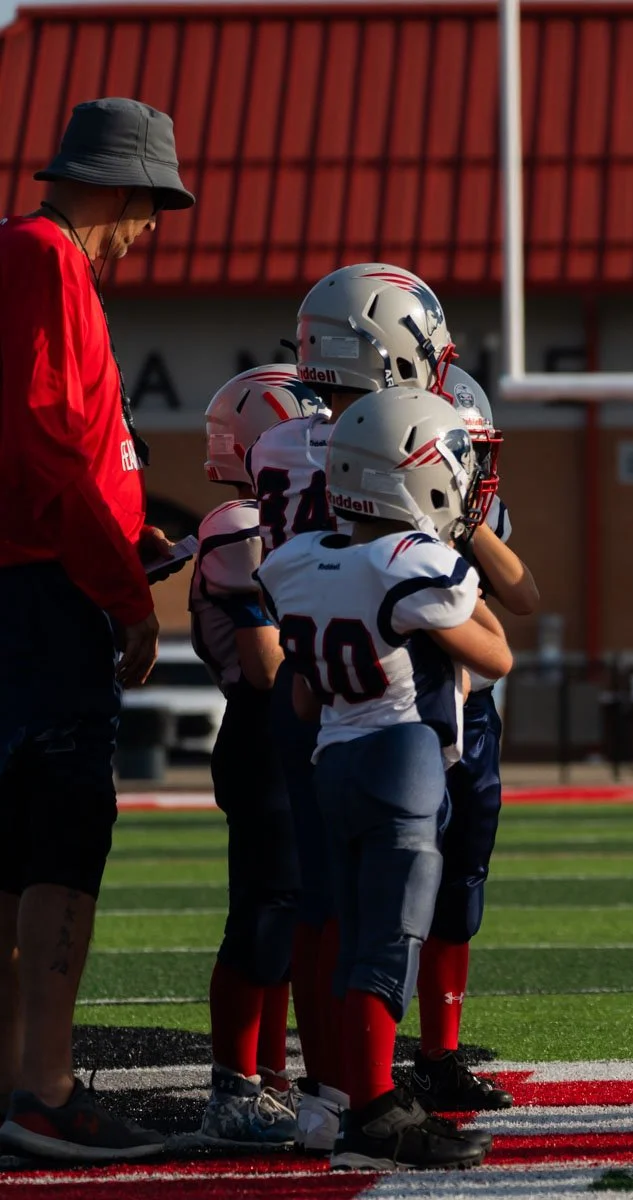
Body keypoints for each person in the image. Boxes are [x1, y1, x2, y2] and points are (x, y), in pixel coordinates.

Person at [0, 97, 193, 1162]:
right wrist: (123, 588)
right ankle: (45, 1087)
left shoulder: (20, 256)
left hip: (25, 584)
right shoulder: (48, 258)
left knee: (14, 852)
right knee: (59, 844)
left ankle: (13, 1084)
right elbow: (50, 441)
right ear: (116, 186)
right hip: (43, 593)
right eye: (150, 204)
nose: (149, 228)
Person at [258, 386, 508, 1171]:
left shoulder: (301, 560)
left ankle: (336, 1097)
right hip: (402, 757)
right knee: (386, 940)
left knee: (342, 933)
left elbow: (302, 695)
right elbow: (496, 655)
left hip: (332, 757)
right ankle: (376, 1108)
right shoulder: (412, 561)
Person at [255, 262, 457, 1151]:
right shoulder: (396, 442)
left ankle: (329, 1087)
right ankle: (368, 1091)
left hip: (308, 687)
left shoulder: (277, 442)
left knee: (318, 900)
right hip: (391, 697)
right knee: (385, 902)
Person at [191, 366, 326, 1147]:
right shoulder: (243, 522)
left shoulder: (273, 519)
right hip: (264, 731)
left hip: (287, 731)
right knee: (267, 911)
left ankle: (271, 1075)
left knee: (295, 910)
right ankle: (233, 1085)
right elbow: (270, 666)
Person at [408, 366, 538, 1113]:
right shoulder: (370, 512)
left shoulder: (476, 515)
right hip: (402, 714)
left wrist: (468, 523)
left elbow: (523, 594)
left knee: (459, 887)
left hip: (472, 717)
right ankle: (344, 1064)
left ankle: (440, 1053)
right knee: (387, 890)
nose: (477, 470)